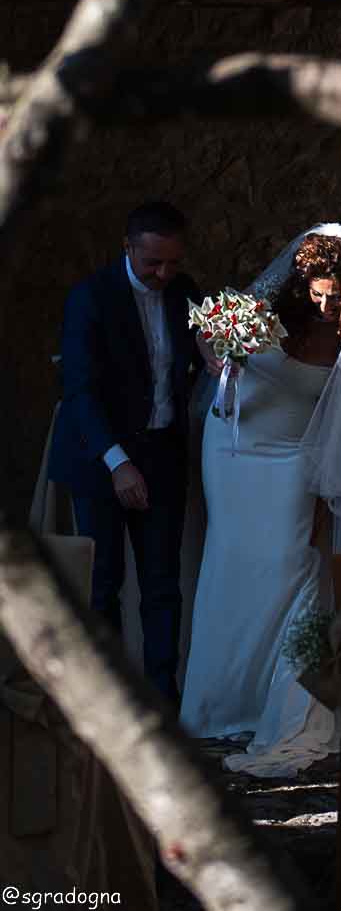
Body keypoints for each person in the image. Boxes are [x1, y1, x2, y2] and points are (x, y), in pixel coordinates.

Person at [180, 223, 341, 776]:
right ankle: (221, 706)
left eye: (335, 298)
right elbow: (207, 334)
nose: (325, 308)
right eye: (317, 295)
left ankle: (281, 704)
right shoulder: (270, 310)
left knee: (292, 565)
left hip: (295, 458)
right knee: (229, 566)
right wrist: (215, 354)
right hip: (233, 450)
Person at [48, 201, 201, 705]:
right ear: (127, 247)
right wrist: (117, 463)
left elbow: (194, 370)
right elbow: (80, 391)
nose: (164, 273)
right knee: (101, 585)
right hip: (100, 459)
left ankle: (163, 706)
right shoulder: (90, 298)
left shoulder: (185, 293)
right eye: (153, 262)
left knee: (162, 587)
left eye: (173, 263)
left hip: (163, 454)